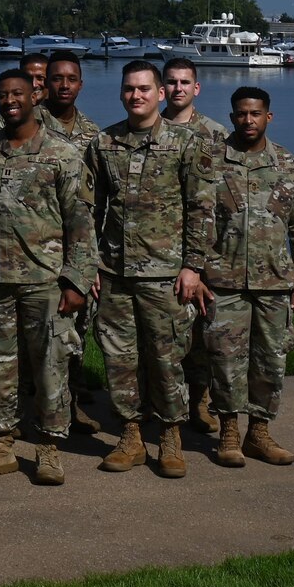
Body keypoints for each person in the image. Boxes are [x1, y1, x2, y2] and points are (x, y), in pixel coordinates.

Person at [86, 61, 218, 479]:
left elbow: (202, 208)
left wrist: (193, 266)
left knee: (166, 359)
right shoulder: (104, 142)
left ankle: (170, 436)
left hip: (166, 273)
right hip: (115, 272)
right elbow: (89, 209)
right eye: (129, 89)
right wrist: (89, 262)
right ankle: (130, 436)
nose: (136, 96)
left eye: (144, 89)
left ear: (161, 94)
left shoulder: (185, 144)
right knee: (119, 359)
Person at [0, 70, 95, 485]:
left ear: (33, 97)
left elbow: (80, 222)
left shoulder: (62, 153)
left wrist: (76, 280)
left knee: (49, 367)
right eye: (3, 95)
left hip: (45, 281)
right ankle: (1, 444)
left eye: (17, 93)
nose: (10, 101)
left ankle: (50, 447)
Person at [207, 87, 294, 468]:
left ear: (268, 117)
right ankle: (228, 432)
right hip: (224, 281)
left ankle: (259, 431)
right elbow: (194, 220)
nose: (248, 120)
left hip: (274, 281)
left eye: (255, 114)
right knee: (226, 360)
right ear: (231, 116)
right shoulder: (211, 163)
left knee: (271, 360)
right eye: (241, 114)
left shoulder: (288, 165)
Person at [159, 57, 231, 433]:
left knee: (202, 329)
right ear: (161, 88)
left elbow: (220, 196)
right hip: (157, 247)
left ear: (196, 88)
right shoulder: (148, 129)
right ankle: (164, 403)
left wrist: (201, 260)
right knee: (166, 334)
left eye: (185, 82)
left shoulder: (214, 134)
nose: (178, 89)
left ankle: (200, 400)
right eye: (171, 82)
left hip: (204, 246)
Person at [37, 52, 102, 434]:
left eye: (71, 79)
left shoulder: (94, 134)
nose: (64, 85)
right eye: (56, 78)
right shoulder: (25, 122)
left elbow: (98, 201)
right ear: (44, 83)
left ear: (80, 83)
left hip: (76, 251)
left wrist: (88, 263)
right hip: (33, 251)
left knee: (73, 336)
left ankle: (71, 405)